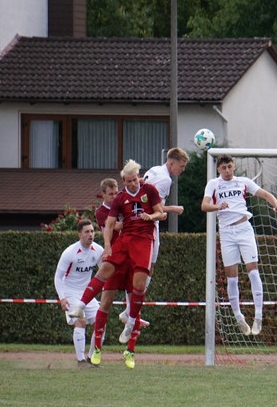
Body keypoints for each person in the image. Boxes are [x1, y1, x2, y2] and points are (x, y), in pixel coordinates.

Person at [69, 160, 166, 369]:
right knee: (105, 299)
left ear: (138, 177)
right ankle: (92, 336)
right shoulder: (107, 208)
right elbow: (112, 225)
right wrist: (107, 246)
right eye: (128, 182)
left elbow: (160, 212)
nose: (132, 184)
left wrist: (154, 215)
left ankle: (130, 346)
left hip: (141, 244)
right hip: (121, 247)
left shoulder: (148, 190)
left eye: (134, 180)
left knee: (138, 290)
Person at [201, 154, 277, 335]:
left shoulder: (243, 182)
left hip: (244, 229)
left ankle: (258, 316)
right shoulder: (213, 184)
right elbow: (204, 206)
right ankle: (239, 317)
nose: (227, 170)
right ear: (218, 169)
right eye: (224, 168)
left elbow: (265, 194)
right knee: (232, 277)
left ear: (233, 166)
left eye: (230, 166)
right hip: (226, 232)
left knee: (253, 271)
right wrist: (218, 206)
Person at [116, 147, 188, 340]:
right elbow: (154, 205)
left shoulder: (155, 169)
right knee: (146, 269)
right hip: (147, 227)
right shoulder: (165, 180)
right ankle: (130, 312)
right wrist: (174, 209)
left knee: (142, 269)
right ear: (171, 163)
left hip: (138, 224)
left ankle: (129, 311)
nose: (182, 170)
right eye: (181, 166)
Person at [94, 178, 149, 337]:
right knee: (106, 302)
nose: (114, 196)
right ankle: (96, 345)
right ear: (103, 195)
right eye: (110, 194)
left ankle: (130, 331)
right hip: (114, 258)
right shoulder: (101, 212)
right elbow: (117, 226)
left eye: (116, 193)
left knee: (135, 293)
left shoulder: (122, 204)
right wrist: (134, 218)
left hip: (129, 255)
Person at [54, 219, 103, 367]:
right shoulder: (70, 252)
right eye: (87, 232)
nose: (90, 235)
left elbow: (104, 271)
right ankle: (80, 361)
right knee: (80, 321)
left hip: (87, 293)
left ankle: (91, 359)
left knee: (100, 324)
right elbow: (58, 277)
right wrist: (62, 298)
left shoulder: (98, 250)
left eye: (92, 231)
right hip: (70, 292)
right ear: (79, 234)